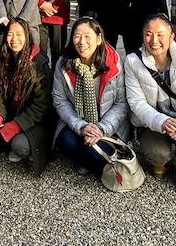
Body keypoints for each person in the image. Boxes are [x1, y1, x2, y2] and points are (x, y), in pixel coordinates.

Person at [124, 14, 176, 194]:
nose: (154, 40)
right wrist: (161, 122)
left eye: (160, 34)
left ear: (172, 36)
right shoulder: (132, 61)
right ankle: (161, 161)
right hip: (151, 120)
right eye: (148, 34)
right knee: (158, 155)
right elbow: (136, 102)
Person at [52, 17, 129, 175]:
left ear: (99, 38)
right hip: (77, 122)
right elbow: (60, 101)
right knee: (68, 144)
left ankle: (92, 157)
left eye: (88, 36)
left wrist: (101, 128)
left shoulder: (113, 62)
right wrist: (80, 126)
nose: (82, 42)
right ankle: (90, 157)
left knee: (95, 153)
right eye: (77, 36)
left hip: (107, 126)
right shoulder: (64, 63)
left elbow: (121, 104)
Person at [0, 18, 53, 176]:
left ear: (27, 36)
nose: (14, 39)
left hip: (34, 119)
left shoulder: (39, 63)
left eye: (19, 34)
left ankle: (20, 140)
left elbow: (41, 105)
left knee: (20, 146)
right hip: (11, 112)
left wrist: (16, 125)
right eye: (10, 34)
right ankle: (6, 136)